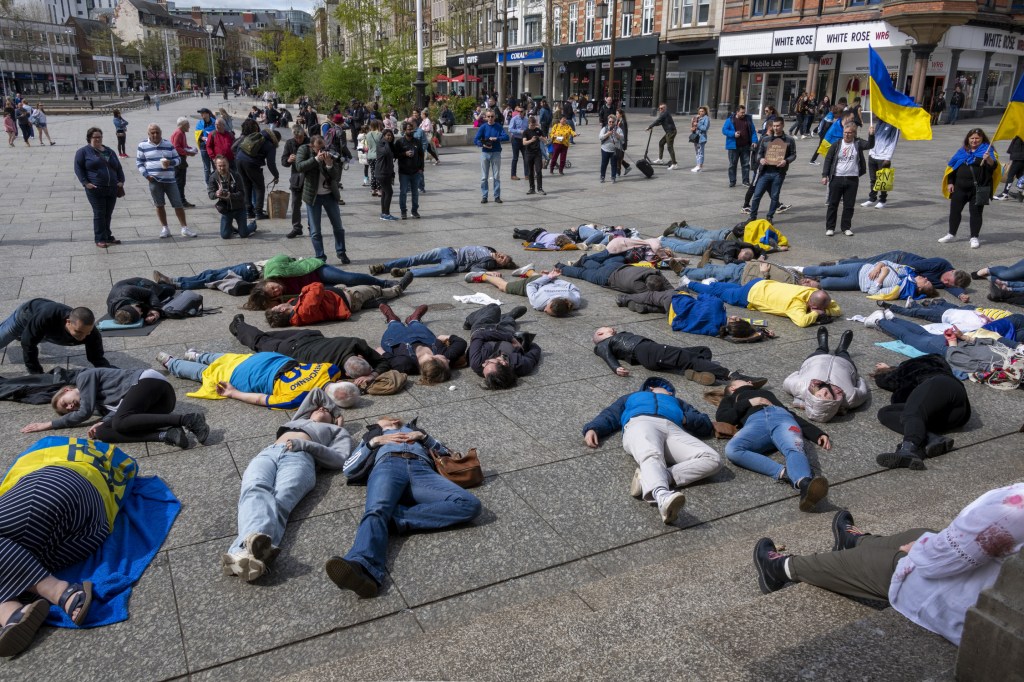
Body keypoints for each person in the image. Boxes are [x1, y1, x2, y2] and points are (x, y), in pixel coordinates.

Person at [754, 485, 1024, 647]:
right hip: (998, 589)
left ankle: (782, 568)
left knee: (889, 563)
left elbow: (935, 564)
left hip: (973, 607)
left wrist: (920, 550)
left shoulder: (1015, 508)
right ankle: (857, 542)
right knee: (922, 532)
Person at [0, 439, 142, 656]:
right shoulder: (50, 447)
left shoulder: (43, 447)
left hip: (63, 493)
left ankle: (51, 592)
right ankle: (14, 612)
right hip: (91, 522)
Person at [327, 416, 482, 598]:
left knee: (470, 504)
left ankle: (393, 519)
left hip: (422, 471)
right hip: (387, 466)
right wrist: (375, 442)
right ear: (378, 424)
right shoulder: (372, 436)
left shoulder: (417, 432)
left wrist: (425, 439)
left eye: (395, 418)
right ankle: (362, 567)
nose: (392, 418)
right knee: (376, 510)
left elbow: (447, 455)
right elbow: (348, 468)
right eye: (384, 418)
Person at [223, 388, 351, 582]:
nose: (322, 408)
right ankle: (248, 555)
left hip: (301, 458)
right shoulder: (299, 418)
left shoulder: (337, 431)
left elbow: (340, 459)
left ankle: (239, 552)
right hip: (270, 452)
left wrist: (314, 439)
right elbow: (317, 392)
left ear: (333, 421)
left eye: (327, 410)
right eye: (319, 408)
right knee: (253, 489)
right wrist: (336, 411)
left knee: (280, 502)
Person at [581, 377, 719, 524]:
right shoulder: (632, 397)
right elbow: (611, 413)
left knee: (713, 458)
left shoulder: (679, 402)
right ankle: (662, 496)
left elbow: (705, 424)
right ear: (652, 388)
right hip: (641, 422)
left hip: (673, 428)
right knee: (651, 453)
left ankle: (649, 477)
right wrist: (593, 428)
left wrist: (686, 418)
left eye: (672, 392)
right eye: (668, 390)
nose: (671, 393)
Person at [20, 367, 208, 449]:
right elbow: (117, 410)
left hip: (150, 383)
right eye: (68, 410)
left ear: (67, 390)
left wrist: (49, 424)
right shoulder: (99, 405)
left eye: (65, 402)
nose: (71, 407)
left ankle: (188, 419)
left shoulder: (84, 378)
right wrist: (102, 422)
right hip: (157, 407)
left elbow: (84, 413)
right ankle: (166, 435)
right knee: (102, 433)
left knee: (119, 421)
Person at [715, 380, 831, 511]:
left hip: (783, 418)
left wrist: (816, 433)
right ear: (733, 388)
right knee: (732, 449)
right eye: (744, 380)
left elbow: (791, 413)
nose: (749, 381)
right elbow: (723, 417)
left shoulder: (766, 392)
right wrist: (750, 402)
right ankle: (785, 473)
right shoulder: (731, 398)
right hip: (755, 422)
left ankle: (805, 484)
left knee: (794, 448)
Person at [156, 349, 360, 411]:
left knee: (227, 359)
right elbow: (261, 399)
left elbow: (342, 370)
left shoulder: (330, 369)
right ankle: (170, 362)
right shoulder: (298, 398)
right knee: (206, 375)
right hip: (251, 376)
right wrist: (233, 392)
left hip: (269, 359)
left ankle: (196, 354)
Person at [871, 355, 971, 470]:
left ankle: (909, 448)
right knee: (885, 413)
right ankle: (932, 439)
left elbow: (886, 380)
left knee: (912, 411)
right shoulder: (935, 361)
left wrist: (882, 372)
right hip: (954, 414)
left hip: (942, 385)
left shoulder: (908, 367)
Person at [229, 315, 391, 386]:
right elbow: (383, 364)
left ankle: (243, 327)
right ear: (347, 374)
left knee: (267, 337)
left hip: (308, 335)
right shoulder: (330, 371)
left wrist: (371, 372)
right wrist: (372, 376)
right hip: (289, 349)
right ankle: (237, 326)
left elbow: (384, 360)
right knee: (259, 342)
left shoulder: (355, 343)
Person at [244, 254, 395, 310]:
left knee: (349, 279)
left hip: (316, 270)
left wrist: (293, 264)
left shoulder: (273, 268)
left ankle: (383, 283)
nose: (277, 290)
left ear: (266, 282)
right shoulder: (282, 297)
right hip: (317, 287)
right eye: (273, 294)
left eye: (272, 288)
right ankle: (371, 298)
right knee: (342, 292)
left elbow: (283, 257)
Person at [591, 327, 737, 385]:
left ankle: (699, 372)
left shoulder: (614, 338)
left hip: (652, 352)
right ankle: (730, 375)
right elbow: (606, 355)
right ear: (600, 334)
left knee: (703, 351)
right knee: (690, 359)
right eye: (609, 328)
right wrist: (616, 368)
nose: (614, 329)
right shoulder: (603, 344)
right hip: (646, 351)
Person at [781, 328, 868, 423]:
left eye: (819, 395)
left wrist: (799, 373)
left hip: (816, 360)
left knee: (819, 351)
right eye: (827, 397)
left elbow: (787, 381)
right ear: (835, 401)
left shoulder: (800, 387)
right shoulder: (850, 398)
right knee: (844, 354)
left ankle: (822, 346)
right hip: (845, 364)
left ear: (811, 396)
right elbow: (863, 390)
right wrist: (859, 379)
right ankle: (843, 349)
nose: (824, 392)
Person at [0, 300, 109, 374]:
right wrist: (37, 374)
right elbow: (28, 344)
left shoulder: (90, 333)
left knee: (36, 336)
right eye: (79, 332)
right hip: (26, 316)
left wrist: (111, 372)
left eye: (87, 332)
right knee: (21, 337)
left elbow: (97, 358)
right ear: (68, 322)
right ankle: (22, 333)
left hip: (46, 330)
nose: (83, 336)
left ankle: (29, 334)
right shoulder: (46, 317)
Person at [684, 278, 841, 328]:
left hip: (760, 283)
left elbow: (836, 308)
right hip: (750, 296)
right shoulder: (796, 305)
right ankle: (689, 283)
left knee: (732, 288)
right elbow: (801, 322)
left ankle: (712, 282)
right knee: (721, 294)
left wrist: (825, 310)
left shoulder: (809, 292)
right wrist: (816, 313)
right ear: (813, 305)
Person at [939, 128, 999, 249]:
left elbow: (994, 167)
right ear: (968, 139)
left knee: (976, 213)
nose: (974, 140)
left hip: (978, 188)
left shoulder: (987, 150)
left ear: (982, 139)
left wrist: (988, 159)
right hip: (959, 188)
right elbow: (952, 167)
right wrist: (950, 182)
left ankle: (974, 237)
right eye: (972, 138)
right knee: (955, 211)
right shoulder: (962, 151)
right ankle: (951, 233)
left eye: (977, 138)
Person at [831, 250, 971, 301]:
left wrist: (960, 294)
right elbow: (912, 269)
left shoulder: (949, 282)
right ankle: (839, 263)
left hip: (897, 268)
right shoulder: (940, 264)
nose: (945, 283)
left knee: (866, 262)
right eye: (947, 279)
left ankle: (851, 260)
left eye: (948, 283)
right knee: (867, 263)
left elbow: (951, 287)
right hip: (898, 259)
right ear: (952, 270)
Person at [378, 304, 466, 383]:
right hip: (423, 336)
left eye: (445, 362)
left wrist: (381, 352)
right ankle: (413, 320)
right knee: (417, 325)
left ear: (432, 359)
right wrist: (445, 337)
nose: (448, 360)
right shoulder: (445, 355)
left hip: (395, 340)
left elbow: (386, 357)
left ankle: (392, 319)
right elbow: (461, 343)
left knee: (395, 326)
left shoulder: (405, 364)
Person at [136, 123, 196, 239]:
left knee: (178, 204)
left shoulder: (168, 144)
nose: (155, 134)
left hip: (170, 180)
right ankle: (165, 228)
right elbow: (139, 162)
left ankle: (184, 228)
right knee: (159, 205)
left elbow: (178, 159)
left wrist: (171, 162)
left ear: (161, 133)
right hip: (154, 180)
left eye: (157, 132)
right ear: (148, 134)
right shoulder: (142, 145)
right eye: (152, 132)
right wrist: (146, 175)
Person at [264, 280, 407, 327]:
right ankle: (398, 289)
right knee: (375, 289)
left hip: (338, 293)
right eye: (276, 306)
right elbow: (317, 286)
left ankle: (371, 303)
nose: (278, 303)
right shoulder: (304, 311)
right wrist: (303, 291)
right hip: (350, 298)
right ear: (282, 311)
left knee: (352, 287)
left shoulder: (293, 307)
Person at [296, 135, 348, 263]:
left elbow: (335, 176)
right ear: (312, 146)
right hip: (313, 196)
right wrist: (315, 159)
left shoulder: (329, 151)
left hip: (330, 195)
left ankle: (341, 252)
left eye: (323, 147)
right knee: (315, 230)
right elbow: (299, 166)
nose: (322, 150)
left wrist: (329, 165)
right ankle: (320, 256)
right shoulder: (304, 150)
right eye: (319, 148)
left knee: (338, 227)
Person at [464, 304, 539, 389]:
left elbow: (478, 336)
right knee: (509, 322)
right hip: (507, 332)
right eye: (488, 363)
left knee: (494, 308)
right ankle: (509, 316)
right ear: (504, 363)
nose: (484, 364)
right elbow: (535, 349)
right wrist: (524, 344)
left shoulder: (477, 363)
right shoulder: (521, 365)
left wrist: (509, 338)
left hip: (485, 327)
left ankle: (468, 321)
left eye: (483, 369)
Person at [74, 127, 125, 248]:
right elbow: (78, 168)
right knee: (99, 213)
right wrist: (86, 183)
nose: (98, 139)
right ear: (89, 138)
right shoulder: (83, 152)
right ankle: (100, 238)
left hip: (112, 188)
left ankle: (108, 236)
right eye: (95, 137)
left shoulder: (109, 151)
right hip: (96, 189)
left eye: (99, 137)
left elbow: (118, 167)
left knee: (108, 213)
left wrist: (121, 180)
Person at [821, 123, 873, 237]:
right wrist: (825, 175)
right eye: (845, 132)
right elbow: (828, 160)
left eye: (850, 133)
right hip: (837, 178)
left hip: (852, 179)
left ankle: (846, 227)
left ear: (854, 134)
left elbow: (870, 144)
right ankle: (830, 227)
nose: (847, 135)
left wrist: (871, 134)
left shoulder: (858, 143)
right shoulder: (836, 145)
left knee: (849, 205)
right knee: (833, 204)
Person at [466, 268, 580, 317]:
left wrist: (552, 278)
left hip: (550, 281)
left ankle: (529, 271)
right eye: (547, 308)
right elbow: (531, 285)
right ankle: (484, 276)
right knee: (504, 286)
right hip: (534, 283)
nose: (544, 310)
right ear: (550, 302)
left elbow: (572, 286)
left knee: (541, 278)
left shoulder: (575, 300)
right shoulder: (539, 302)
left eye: (546, 311)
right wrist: (549, 277)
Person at [798, 261, 935, 299]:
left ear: (920, 288)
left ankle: (800, 280)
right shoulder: (907, 271)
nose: (926, 278)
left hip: (856, 283)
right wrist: (879, 267)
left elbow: (873, 292)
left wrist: (882, 276)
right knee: (824, 270)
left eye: (926, 282)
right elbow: (886, 262)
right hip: (860, 268)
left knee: (825, 283)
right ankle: (797, 269)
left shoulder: (900, 290)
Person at [748, 118, 797, 224]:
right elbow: (759, 153)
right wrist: (760, 159)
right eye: (774, 126)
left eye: (778, 126)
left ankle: (769, 216)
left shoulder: (789, 140)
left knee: (775, 196)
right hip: (765, 171)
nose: (775, 128)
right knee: (757, 195)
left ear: (783, 125)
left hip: (779, 172)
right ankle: (752, 216)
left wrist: (786, 161)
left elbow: (793, 154)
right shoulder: (766, 139)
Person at [369, 245, 515, 279]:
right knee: (415, 258)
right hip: (448, 250)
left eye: (503, 260)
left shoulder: (489, 262)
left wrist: (488, 273)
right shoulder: (489, 249)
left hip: (453, 260)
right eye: (504, 255)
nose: (501, 256)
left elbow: (475, 269)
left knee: (446, 267)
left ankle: (407, 272)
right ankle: (382, 267)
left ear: (501, 265)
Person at [559, 251, 671, 293]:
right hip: (606, 278)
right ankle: (561, 268)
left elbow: (660, 275)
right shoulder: (638, 286)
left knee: (600, 266)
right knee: (583, 274)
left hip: (618, 267)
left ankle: (584, 260)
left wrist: (672, 289)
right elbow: (648, 296)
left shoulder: (652, 271)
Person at [235, 127, 281, 222]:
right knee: (259, 187)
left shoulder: (256, 136)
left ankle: (248, 211)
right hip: (251, 163)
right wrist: (276, 175)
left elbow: (238, 146)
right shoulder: (270, 145)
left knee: (246, 186)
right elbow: (271, 163)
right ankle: (258, 212)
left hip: (239, 159)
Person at [207, 154, 253, 239]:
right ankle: (230, 228)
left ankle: (252, 225)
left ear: (228, 164)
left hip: (239, 208)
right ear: (215, 165)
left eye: (224, 165)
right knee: (225, 236)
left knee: (243, 234)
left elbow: (242, 193)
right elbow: (210, 194)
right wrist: (216, 194)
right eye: (219, 166)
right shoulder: (213, 178)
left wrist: (230, 195)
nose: (222, 168)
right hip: (226, 209)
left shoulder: (235, 175)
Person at [280, 124, 309, 238]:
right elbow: (283, 161)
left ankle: (312, 227)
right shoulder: (289, 143)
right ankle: (296, 227)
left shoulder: (310, 142)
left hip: (308, 176)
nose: (298, 140)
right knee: (295, 204)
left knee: (310, 204)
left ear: (303, 134)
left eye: (300, 137)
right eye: (296, 138)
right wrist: (289, 160)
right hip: (296, 177)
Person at [475, 109, 509, 204]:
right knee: (484, 177)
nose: (490, 118)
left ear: (495, 117)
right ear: (485, 117)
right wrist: (482, 144)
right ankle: (484, 196)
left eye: (492, 116)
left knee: (496, 176)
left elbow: (506, 137)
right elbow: (476, 139)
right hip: (485, 153)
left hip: (496, 153)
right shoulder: (483, 127)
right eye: (488, 116)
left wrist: (496, 138)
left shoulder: (498, 126)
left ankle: (497, 196)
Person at [106, 277, 173, 325]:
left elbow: (150, 294)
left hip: (139, 284)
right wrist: (148, 316)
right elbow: (138, 311)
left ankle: (164, 281)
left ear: (132, 306)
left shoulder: (128, 290)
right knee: (152, 304)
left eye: (139, 312)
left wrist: (155, 309)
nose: (141, 313)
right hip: (133, 296)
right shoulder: (114, 312)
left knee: (170, 290)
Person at [722, 105, 758, 188]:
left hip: (745, 146)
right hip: (733, 147)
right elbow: (724, 130)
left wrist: (754, 141)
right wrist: (733, 134)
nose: (743, 114)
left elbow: (753, 131)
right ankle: (732, 181)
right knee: (732, 165)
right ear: (737, 112)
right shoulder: (730, 120)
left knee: (745, 164)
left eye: (744, 112)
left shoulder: (748, 120)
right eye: (742, 112)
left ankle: (745, 181)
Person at [395, 122, 424, 220]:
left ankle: (414, 211)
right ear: (404, 131)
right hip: (404, 172)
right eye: (409, 129)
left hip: (415, 171)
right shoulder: (399, 142)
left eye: (412, 129)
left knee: (415, 192)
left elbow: (421, 155)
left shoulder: (417, 141)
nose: (411, 131)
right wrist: (404, 154)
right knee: (403, 192)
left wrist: (421, 168)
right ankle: (403, 211)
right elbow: (395, 155)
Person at [169, 116, 198, 208]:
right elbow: (176, 148)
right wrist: (188, 153)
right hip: (179, 160)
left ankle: (181, 200)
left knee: (181, 181)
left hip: (181, 159)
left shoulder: (181, 133)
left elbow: (183, 145)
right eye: (187, 125)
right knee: (180, 181)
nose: (189, 126)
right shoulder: (179, 133)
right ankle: (181, 201)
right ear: (183, 125)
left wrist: (191, 149)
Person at [375, 128, 398, 220]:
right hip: (382, 172)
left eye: (391, 135)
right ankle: (386, 214)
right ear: (383, 136)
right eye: (387, 135)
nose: (390, 137)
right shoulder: (381, 144)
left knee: (384, 192)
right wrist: (386, 142)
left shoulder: (387, 144)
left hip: (387, 172)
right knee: (389, 192)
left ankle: (384, 213)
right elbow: (386, 152)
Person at [647, 103, 678, 170]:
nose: (660, 109)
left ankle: (674, 164)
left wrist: (650, 126)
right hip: (668, 132)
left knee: (670, 147)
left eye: (662, 108)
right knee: (661, 143)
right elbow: (660, 122)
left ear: (665, 108)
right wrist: (653, 126)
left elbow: (658, 120)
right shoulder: (663, 114)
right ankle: (660, 159)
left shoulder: (665, 113)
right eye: (660, 108)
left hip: (671, 132)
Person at [995, 135, 1024, 201]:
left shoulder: (1020, 133)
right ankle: (1021, 193)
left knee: (1011, 175)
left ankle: (1005, 194)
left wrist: (1012, 160)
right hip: (1019, 157)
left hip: (1018, 157)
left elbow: (1016, 147)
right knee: (1020, 175)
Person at [522, 115, 545, 195]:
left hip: (537, 153)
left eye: (534, 125)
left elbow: (546, 141)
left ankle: (540, 188)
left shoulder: (538, 130)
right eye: (531, 125)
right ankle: (532, 188)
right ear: (528, 124)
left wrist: (542, 139)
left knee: (539, 170)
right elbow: (524, 142)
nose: (533, 127)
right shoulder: (526, 132)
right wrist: (531, 140)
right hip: (529, 153)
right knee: (530, 171)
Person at [599, 114, 624, 184]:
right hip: (605, 149)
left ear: (615, 122)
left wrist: (616, 134)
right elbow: (600, 137)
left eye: (613, 122)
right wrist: (607, 134)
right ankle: (602, 176)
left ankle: (613, 177)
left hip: (614, 150)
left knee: (614, 164)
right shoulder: (604, 129)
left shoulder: (618, 129)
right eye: (610, 122)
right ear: (608, 122)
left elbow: (622, 138)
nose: (611, 123)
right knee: (604, 164)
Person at [196, 107, 217, 184]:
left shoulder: (215, 122)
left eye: (203, 113)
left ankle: (216, 182)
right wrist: (202, 137)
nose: (201, 115)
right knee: (206, 168)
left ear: (208, 114)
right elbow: (197, 134)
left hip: (213, 147)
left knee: (215, 165)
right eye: (201, 113)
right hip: (204, 147)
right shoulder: (199, 123)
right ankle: (208, 184)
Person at [507, 104, 527, 180]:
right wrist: (519, 131)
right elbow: (510, 129)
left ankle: (527, 174)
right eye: (518, 111)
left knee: (526, 157)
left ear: (524, 111)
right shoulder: (514, 119)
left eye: (521, 111)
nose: (519, 113)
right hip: (515, 139)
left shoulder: (526, 119)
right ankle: (513, 175)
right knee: (515, 158)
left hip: (524, 140)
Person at [691, 105, 710, 172]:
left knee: (700, 152)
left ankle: (700, 165)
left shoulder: (706, 118)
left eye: (702, 111)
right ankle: (697, 164)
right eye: (700, 111)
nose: (701, 113)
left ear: (705, 112)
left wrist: (698, 124)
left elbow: (705, 128)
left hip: (702, 137)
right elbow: (694, 126)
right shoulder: (697, 117)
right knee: (697, 152)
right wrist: (693, 122)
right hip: (696, 137)